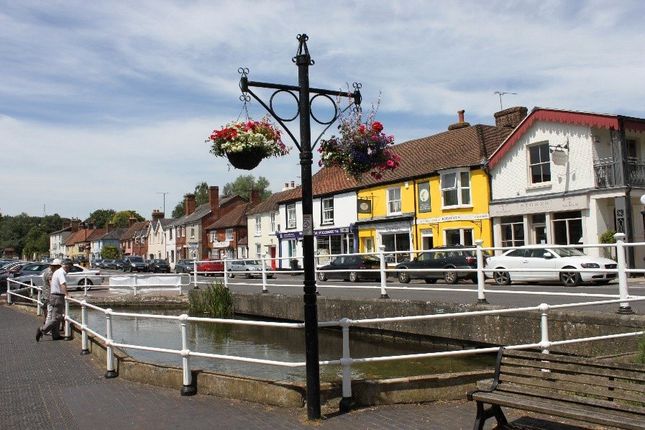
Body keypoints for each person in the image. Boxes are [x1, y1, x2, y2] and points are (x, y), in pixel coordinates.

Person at [36, 259, 71, 342]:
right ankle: (42, 330)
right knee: (56, 317)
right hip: (57, 296)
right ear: (66, 266)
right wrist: (67, 295)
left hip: (53, 296)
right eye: (70, 267)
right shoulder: (61, 272)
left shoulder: (56, 272)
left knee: (54, 316)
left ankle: (56, 335)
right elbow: (63, 284)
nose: (70, 269)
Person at [40, 259, 62, 328]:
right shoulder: (50, 273)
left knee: (48, 313)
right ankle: (46, 329)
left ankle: (47, 327)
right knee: (50, 313)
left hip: (45, 294)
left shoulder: (46, 271)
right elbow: (51, 284)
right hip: (49, 295)